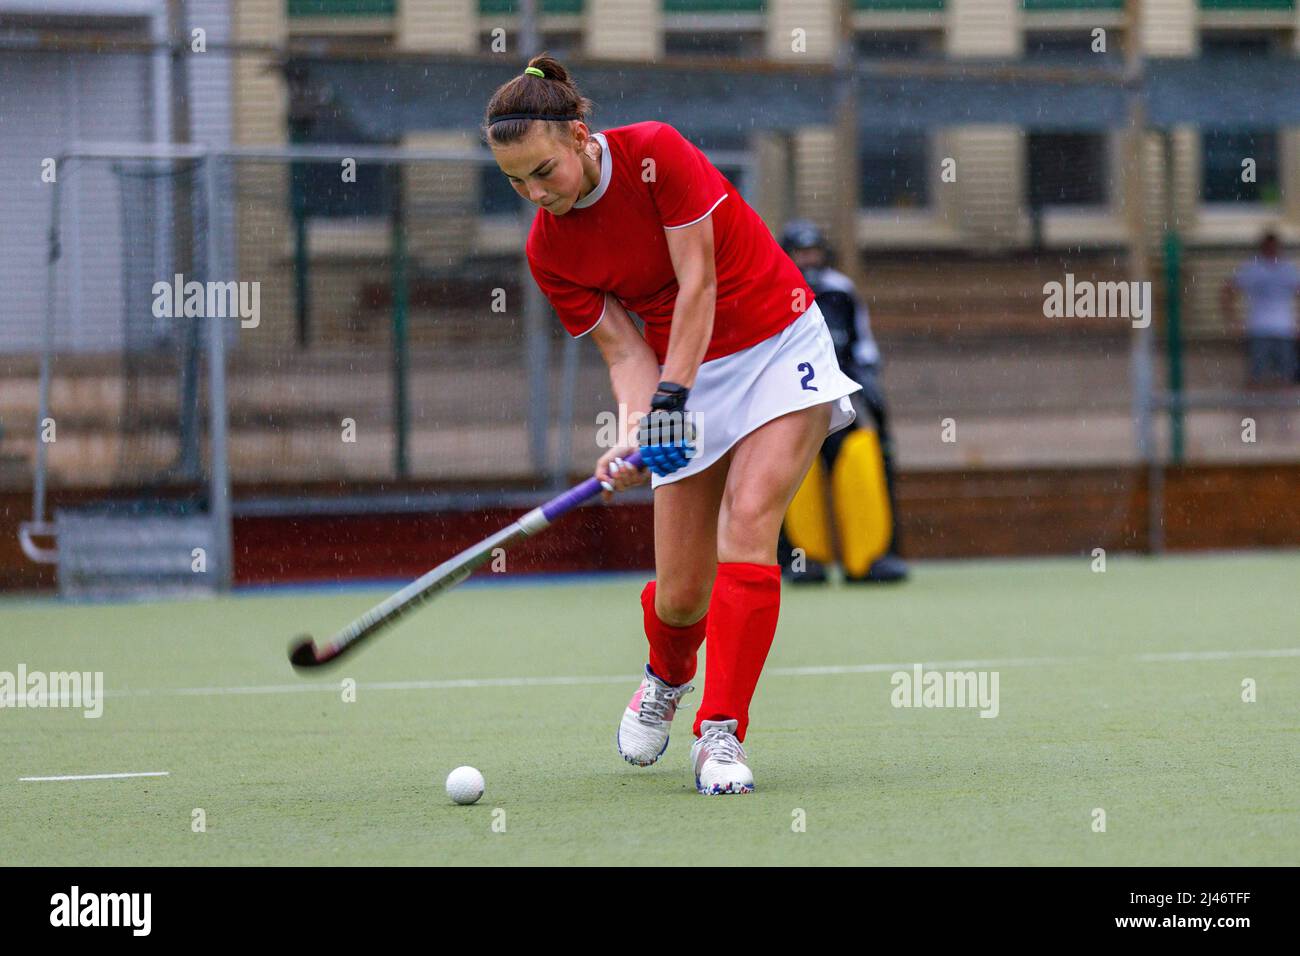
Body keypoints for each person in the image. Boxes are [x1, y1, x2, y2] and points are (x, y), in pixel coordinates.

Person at [484, 56, 861, 795]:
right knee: (682, 595)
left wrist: (668, 401)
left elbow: (700, 284)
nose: (534, 193)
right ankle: (666, 675)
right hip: (675, 381)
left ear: (581, 138)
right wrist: (634, 429)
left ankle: (720, 735)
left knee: (749, 524)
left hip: (776, 344)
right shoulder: (547, 249)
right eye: (514, 182)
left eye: (543, 172)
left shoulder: (656, 152)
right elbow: (625, 350)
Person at [777, 219, 908, 584]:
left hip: (843, 397)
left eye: (813, 252)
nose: (808, 260)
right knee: (793, 472)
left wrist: (866, 383)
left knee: (867, 456)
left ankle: (871, 555)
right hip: (792, 401)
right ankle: (802, 559)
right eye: (800, 253)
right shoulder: (772, 288)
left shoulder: (840, 291)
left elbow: (862, 344)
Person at [1220, 229, 1300, 388]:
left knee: (1286, 377)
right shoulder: (1253, 268)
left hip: (1284, 328)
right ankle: (1256, 410)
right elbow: (1228, 291)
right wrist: (1233, 321)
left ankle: (1281, 410)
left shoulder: (1287, 269)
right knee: (1256, 377)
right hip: (1258, 327)